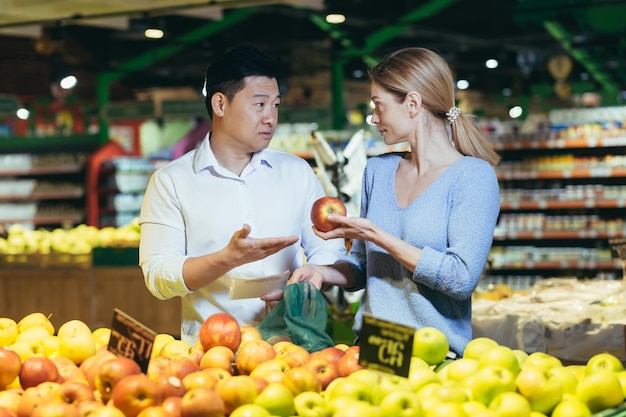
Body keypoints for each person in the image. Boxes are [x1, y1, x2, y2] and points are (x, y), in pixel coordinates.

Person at [281, 47, 501, 357]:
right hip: (373, 348)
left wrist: (378, 235)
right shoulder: (378, 170)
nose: (372, 117)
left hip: (437, 359)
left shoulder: (473, 177)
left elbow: (460, 278)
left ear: (412, 103)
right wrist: (322, 272)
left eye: (378, 106)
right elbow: (361, 265)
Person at [138, 44, 346, 345]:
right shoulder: (171, 182)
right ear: (220, 105)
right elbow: (158, 277)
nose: (270, 118)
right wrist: (226, 259)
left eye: (275, 105)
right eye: (259, 105)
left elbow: (330, 249)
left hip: (293, 347)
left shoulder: (297, 172)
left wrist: (315, 273)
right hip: (209, 355)